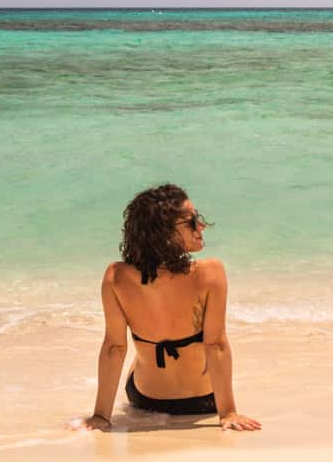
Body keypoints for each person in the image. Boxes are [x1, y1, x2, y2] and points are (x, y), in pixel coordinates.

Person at [82, 183, 261, 432]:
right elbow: (216, 344)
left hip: (145, 399)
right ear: (164, 233)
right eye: (191, 221)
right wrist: (228, 413)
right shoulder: (210, 273)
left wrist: (101, 417)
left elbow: (114, 347)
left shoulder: (116, 276)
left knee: (141, 352)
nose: (201, 226)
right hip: (205, 401)